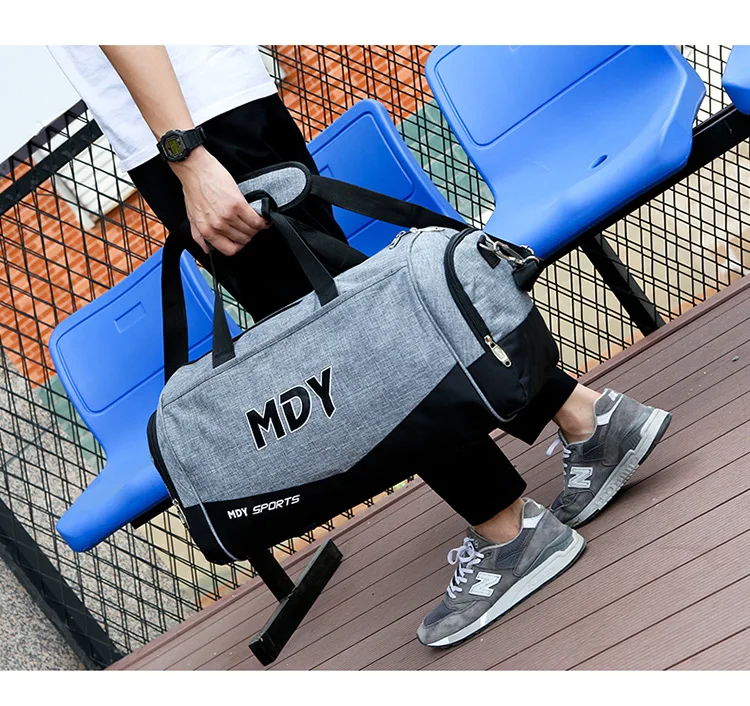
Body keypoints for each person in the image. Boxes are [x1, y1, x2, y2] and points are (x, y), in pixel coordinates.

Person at [48, 45, 672, 648]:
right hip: (210, 117)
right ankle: (590, 420)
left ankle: (511, 533)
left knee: (345, 349)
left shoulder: (188, 147)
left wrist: (185, 156)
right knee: (355, 324)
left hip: (195, 135)